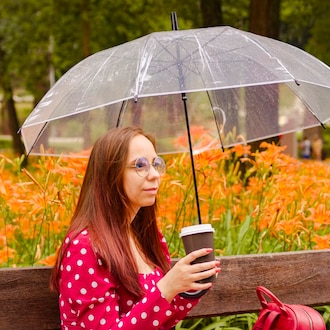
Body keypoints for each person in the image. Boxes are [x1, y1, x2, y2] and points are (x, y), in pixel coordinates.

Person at [50, 126, 220, 329]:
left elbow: (161, 319)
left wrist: (192, 285)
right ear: (110, 174)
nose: (155, 175)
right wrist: (166, 288)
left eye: (156, 164)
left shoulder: (148, 238)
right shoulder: (86, 247)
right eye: (140, 165)